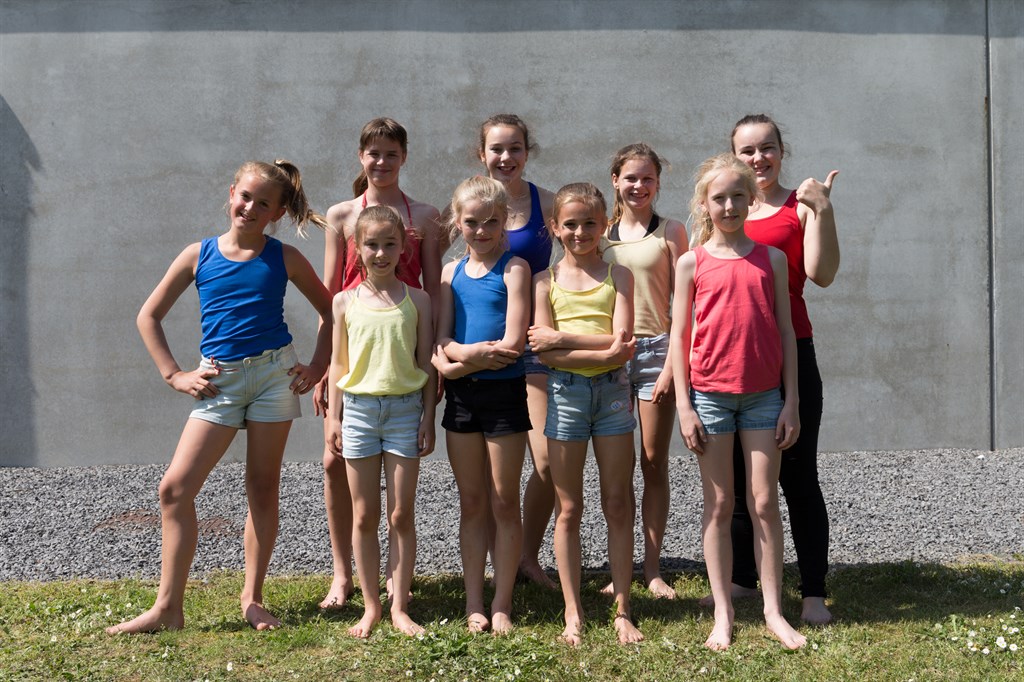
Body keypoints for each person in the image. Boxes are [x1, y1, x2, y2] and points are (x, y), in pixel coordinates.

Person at [107, 160, 333, 634]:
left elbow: (333, 311)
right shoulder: (198, 254)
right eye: (245, 196)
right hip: (219, 383)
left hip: (273, 378)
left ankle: (252, 599)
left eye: (263, 203)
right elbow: (148, 316)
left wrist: (317, 366)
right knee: (174, 489)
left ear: (277, 213)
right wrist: (174, 374)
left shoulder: (286, 257)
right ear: (232, 193)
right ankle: (168, 608)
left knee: (262, 487)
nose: (250, 208)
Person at [670, 153, 806, 651]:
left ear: (751, 199)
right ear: (704, 204)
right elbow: (679, 337)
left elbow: (787, 333)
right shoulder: (692, 262)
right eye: (719, 198)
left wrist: (791, 401)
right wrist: (684, 406)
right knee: (720, 503)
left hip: (764, 399)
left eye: (737, 196)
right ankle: (723, 613)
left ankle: (773, 610)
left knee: (764, 502)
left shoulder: (771, 259)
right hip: (710, 398)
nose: (728, 206)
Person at [315, 117, 442, 610]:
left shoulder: (424, 215)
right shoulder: (342, 214)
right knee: (334, 462)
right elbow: (330, 295)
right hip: (355, 358)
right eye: (374, 153)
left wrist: (433, 365)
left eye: (391, 153)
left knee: (399, 498)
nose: (382, 162)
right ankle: (343, 573)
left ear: (404, 156)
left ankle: (394, 583)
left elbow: (433, 292)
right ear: (361, 156)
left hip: (404, 357)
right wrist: (324, 367)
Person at [718, 114, 839, 625]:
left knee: (797, 476)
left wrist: (823, 210)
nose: (758, 158)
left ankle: (812, 592)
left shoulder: (801, 206)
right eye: (747, 150)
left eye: (766, 148)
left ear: (782, 151)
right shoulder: (725, 204)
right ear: (734, 157)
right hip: (734, 356)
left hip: (791, 351)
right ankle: (743, 581)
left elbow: (822, 275)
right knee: (739, 479)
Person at [529, 183, 642, 646]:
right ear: (555, 227)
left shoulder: (620, 276)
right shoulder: (544, 281)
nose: (580, 232)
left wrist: (563, 339)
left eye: (590, 223)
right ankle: (572, 611)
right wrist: (598, 348)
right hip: (565, 395)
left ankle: (623, 609)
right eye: (570, 224)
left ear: (605, 224)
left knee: (618, 502)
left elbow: (624, 343)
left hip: (613, 396)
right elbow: (543, 353)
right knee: (569, 508)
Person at [324, 204, 436, 638]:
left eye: (390, 244)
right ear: (356, 248)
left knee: (401, 514)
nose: (381, 253)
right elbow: (338, 363)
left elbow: (425, 363)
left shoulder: (418, 300)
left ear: (403, 246)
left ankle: (399, 606)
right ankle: (371, 606)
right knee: (364, 515)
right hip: (359, 414)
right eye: (371, 244)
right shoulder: (344, 302)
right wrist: (334, 418)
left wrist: (428, 416)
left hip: (405, 412)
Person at [432, 176, 532, 634]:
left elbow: (511, 344)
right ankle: (474, 601)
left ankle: (502, 602)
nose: (481, 230)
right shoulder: (450, 273)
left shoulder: (515, 269)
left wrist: (458, 363)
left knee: (504, 500)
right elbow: (442, 338)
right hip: (462, 398)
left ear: (504, 220)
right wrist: (467, 359)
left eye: (491, 221)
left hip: (504, 395)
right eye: (472, 222)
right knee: (471, 502)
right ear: (458, 222)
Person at [600, 143, 688, 600]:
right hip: (612, 354)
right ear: (615, 180)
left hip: (658, 352)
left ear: (657, 182)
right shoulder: (599, 233)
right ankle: (620, 566)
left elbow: (686, 304)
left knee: (653, 463)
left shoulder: (671, 231)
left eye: (647, 178)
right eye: (630, 177)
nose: (639, 185)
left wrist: (674, 363)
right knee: (617, 469)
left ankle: (652, 569)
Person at [475, 113, 559, 589]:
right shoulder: (470, 200)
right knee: (494, 471)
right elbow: (436, 264)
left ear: (528, 152)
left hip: (535, 345)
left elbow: (583, 249)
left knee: (546, 463)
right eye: (497, 149)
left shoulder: (546, 202)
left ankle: (527, 556)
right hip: (486, 349)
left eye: (515, 148)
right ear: (482, 154)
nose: (505, 157)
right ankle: (498, 563)